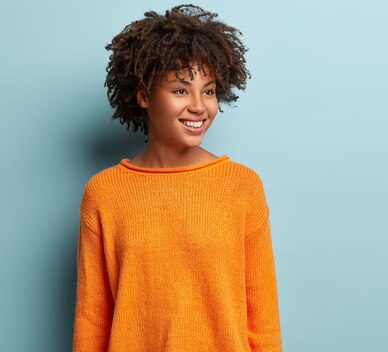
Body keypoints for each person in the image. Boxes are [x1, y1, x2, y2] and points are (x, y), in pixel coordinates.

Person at [73, 5, 282, 351]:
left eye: (210, 90)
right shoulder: (104, 193)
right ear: (143, 96)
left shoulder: (242, 187)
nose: (200, 106)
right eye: (181, 90)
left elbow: (263, 320)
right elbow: (92, 321)